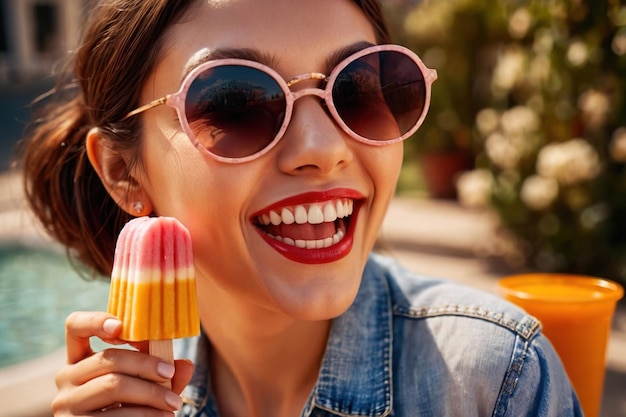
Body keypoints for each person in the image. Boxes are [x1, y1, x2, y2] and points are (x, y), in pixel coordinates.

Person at [20, 0, 582, 416]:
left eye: (358, 89)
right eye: (235, 103)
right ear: (122, 171)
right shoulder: (129, 398)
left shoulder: (496, 379)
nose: (323, 149)